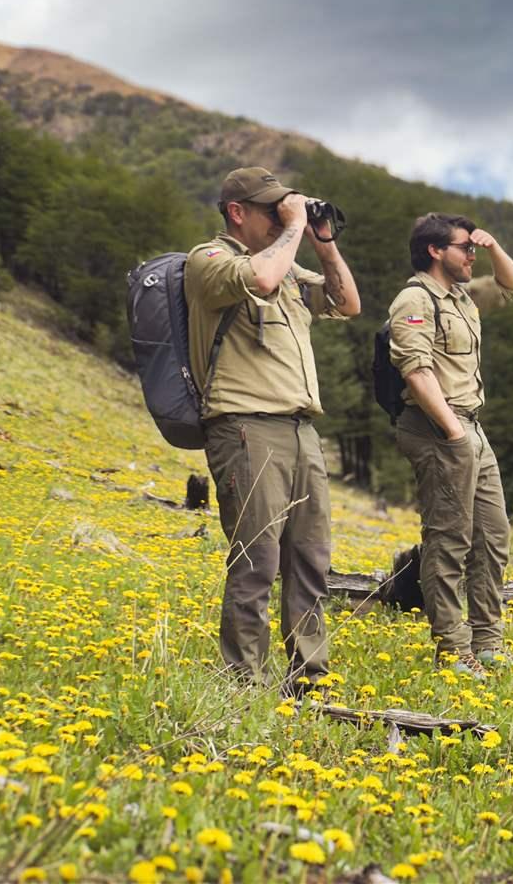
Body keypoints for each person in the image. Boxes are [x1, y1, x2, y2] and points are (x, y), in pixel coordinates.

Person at [185, 167, 361, 695]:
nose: (285, 217)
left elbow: (347, 303)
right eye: (272, 209)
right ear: (237, 212)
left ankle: (310, 676)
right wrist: (291, 229)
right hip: (245, 425)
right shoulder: (208, 260)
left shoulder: (288, 270)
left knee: (309, 558)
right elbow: (258, 279)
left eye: (286, 209)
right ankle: (243, 679)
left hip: (301, 428)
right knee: (257, 558)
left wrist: (322, 241)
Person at [388, 212, 513, 676]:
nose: (471, 254)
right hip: (438, 427)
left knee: (492, 535)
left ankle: (487, 641)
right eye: (464, 247)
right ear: (435, 251)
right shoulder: (416, 298)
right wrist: (451, 432)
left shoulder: (462, 297)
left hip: (470, 426)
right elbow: (415, 369)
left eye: (472, 248)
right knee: (449, 539)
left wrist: (493, 246)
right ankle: (453, 649)